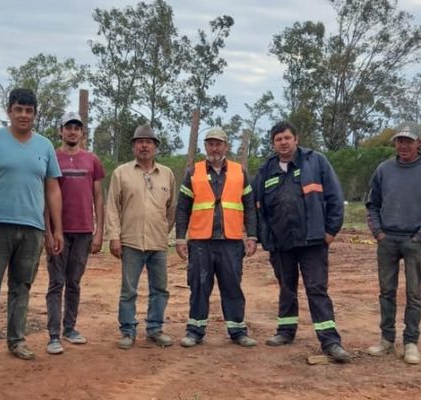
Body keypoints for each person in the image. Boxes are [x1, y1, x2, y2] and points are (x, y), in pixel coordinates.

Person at [0, 88, 63, 368]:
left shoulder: (44, 146)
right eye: (18, 109)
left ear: (35, 114)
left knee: (22, 286)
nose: (23, 115)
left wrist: (56, 229)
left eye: (29, 111)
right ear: (9, 110)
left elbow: (52, 187)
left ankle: (17, 340)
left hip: (32, 229)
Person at [253, 121, 351, 363]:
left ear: (296, 139)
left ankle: (330, 340)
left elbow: (335, 198)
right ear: (273, 144)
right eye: (278, 139)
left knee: (316, 289)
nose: (283, 142)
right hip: (281, 243)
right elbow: (257, 208)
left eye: (287, 137)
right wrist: (266, 239)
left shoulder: (315, 161)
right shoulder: (266, 169)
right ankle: (285, 331)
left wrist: (330, 232)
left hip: (313, 242)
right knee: (287, 289)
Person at [365, 121, 421, 365]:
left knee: (413, 294)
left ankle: (411, 342)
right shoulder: (384, 169)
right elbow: (372, 204)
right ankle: (386, 339)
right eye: (400, 141)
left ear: (419, 143)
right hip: (387, 239)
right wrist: (378, 233)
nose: (403, 145)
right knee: (386, 292)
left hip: (414, 239)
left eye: (408, 141)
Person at [175, 128, 258, 348]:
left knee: (232, 286)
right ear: (205, 146)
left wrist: (252, 236)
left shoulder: (240, 172)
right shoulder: (194, 172)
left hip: (231, 241)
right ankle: (195, 331)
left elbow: (250, 206)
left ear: (226, 146)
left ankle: (238, 331)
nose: (214, 148)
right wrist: (180, 239)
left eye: (218, 144)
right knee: (199, 286)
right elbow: (183, 208)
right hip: (201, 241)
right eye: (210, 144)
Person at [105, 124, 176, 350]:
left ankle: (155, 329)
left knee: (160, 289)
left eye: (149, 142)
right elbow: (112, 208)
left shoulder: (167, 174)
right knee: (129, 290)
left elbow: (172, 208)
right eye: (139, 142)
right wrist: (114, 237)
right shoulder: (121, 173)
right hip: (131, 241)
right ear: (134, 146)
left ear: (155, 147)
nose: (144, 145)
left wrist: (164, 229)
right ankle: (128, 331)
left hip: (158, 242)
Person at [44, 112, 105, 355]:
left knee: (74, 283)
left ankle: (70, 328)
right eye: (68, 127)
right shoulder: (52, 158)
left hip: (83, 232)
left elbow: (98, 196)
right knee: (56, 283)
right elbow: (46, 197)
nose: (72, 132)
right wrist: (48, 232)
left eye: (76, 128)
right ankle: (53, 335)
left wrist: (99, 231)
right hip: (59, 232)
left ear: (82, 133)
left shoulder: (92, 160)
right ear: (60, 131)